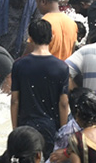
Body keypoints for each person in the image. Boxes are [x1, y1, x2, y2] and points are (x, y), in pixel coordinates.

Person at [10, 17, 70, 151]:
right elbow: (63, 103)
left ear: (30, 38)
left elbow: (15, 100)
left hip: (26, 125)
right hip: (50, 126)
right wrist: (63, 131)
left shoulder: (19, 65)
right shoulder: (61, 67)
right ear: (52, 37)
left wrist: (15, 129)